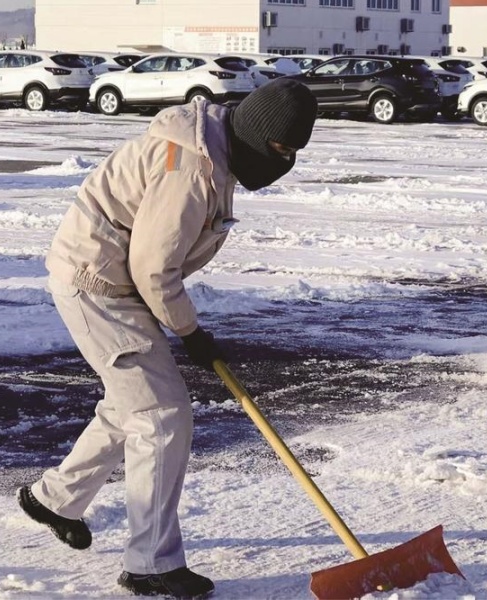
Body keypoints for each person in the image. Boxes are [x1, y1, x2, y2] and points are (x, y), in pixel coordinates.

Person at [18, 79, 318, 598]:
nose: (284, 160)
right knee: (161, 415)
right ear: (255, 133)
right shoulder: (191, 167)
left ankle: (54, 499)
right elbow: (154, 268)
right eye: (279, 149)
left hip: (119, 280)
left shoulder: (214, 149)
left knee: (131, 404)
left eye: (294, 152)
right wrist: (191, 333)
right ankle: (150, 563)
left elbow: (153, 265)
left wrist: (184, 328)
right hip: (96, 283)